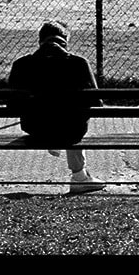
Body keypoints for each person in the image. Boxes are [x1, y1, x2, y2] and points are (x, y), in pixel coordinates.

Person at [7, 21, 106, 195]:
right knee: (75, 118)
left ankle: (78, 172)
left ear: (40, 41)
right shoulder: (78, 63)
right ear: (65, 40)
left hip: (36, 129)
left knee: (68, 118)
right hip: (71, 131)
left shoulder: (21, 64)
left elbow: (12, 104)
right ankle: (79, 176)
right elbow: (97, 102)